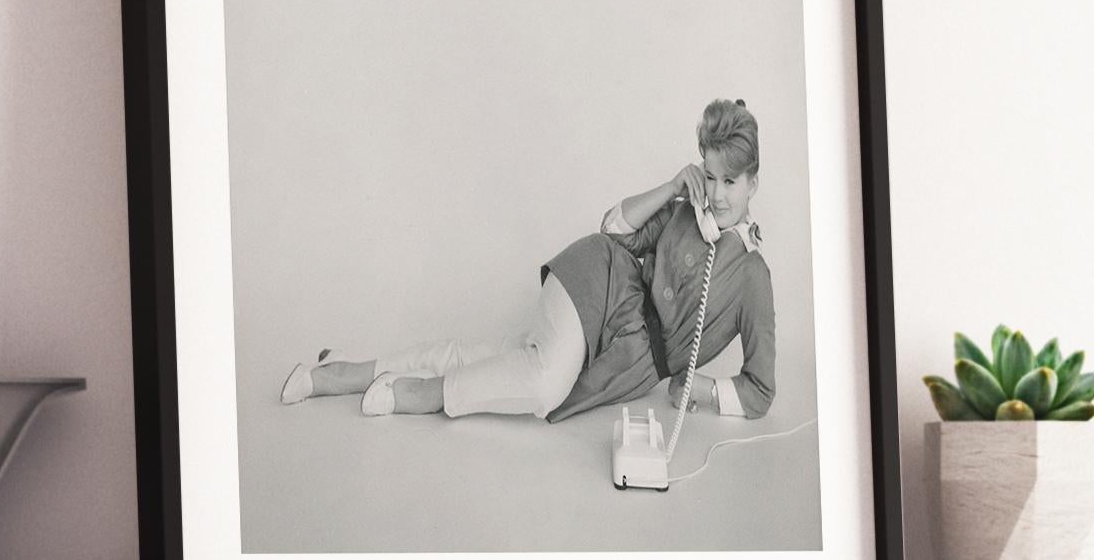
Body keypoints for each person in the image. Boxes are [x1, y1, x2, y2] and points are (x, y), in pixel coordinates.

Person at [280, 97, 778, 429]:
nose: (713, 195)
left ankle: (341, 372)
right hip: (595, 281)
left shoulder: (752, 278)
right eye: (708, 177)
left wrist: (699, 390)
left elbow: (760, 390)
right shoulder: (683, 211)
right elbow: (612, 230)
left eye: (729, 183)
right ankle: (421, 394)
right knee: (540, 382)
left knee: (496, 357)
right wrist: (672, 188)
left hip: (620, 356)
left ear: (752, 182)